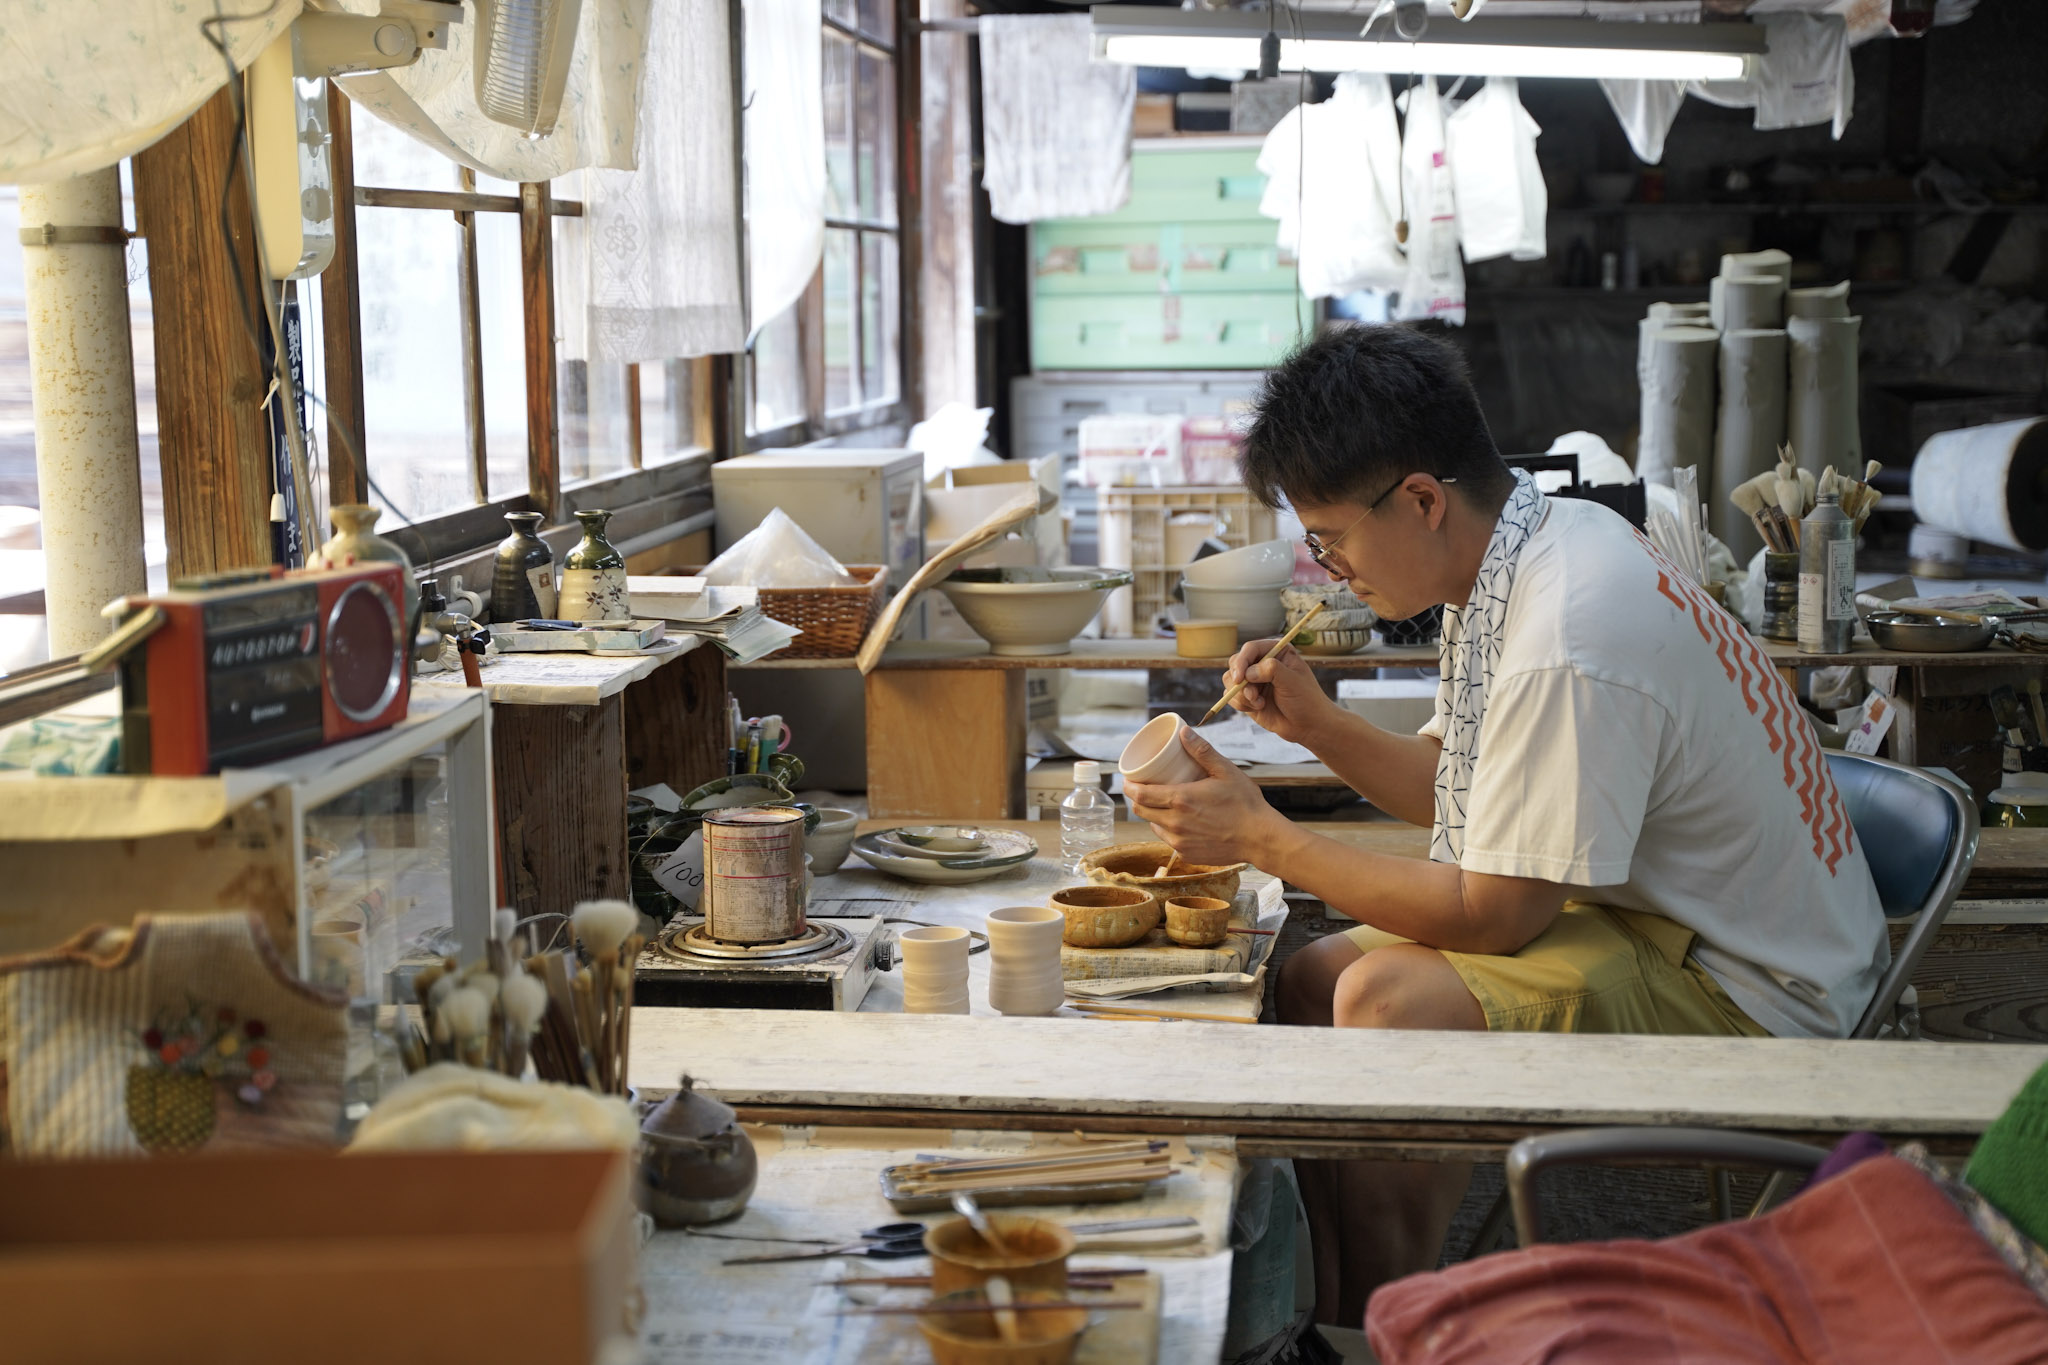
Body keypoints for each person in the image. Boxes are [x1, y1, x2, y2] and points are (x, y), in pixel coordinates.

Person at [1122, 325, 1888, 1327]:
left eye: (1331, 540)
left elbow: (1494, 913)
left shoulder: (1567, 629)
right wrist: (1317, 724)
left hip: (1758, 989)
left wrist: (1263, 836)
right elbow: (1459, 782)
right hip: (1658, 918)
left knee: (1389, 1004)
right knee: (1307, 976)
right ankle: (1345, 1321)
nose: (1327, 570)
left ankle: (1389, 1329)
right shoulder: (1518, 549)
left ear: (1422, 500)